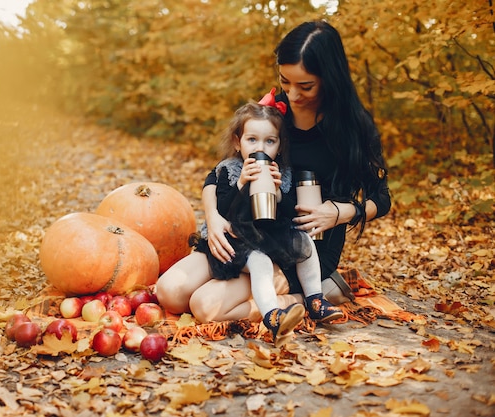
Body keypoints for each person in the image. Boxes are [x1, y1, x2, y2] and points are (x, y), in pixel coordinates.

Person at [156, 20, 391, 324]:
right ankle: (294, 292)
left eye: (305, 86)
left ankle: (314, 294)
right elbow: (221, 173)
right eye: (285, 82)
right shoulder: (273, 112)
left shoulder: (352, 128)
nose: (292, 95)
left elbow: (381, 199)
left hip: (301, 246)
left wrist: (339, 212)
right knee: (170, 293)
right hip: (247, 231)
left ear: (330, 78)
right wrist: (213, 218)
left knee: (205, 306)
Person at [190, 101, 344, 346]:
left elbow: (291, 212)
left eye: (269, 141)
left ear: (279, 146)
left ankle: (316, 298)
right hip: (241, 239)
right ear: (237, 142)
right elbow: (222, 211)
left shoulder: (283, 173)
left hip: (271, 235)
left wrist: (279, 193)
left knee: (305, 244)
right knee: (260, 263)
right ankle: (272, 314)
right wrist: (241, 184)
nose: (259, 147)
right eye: (252, 140)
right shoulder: (228, 170)